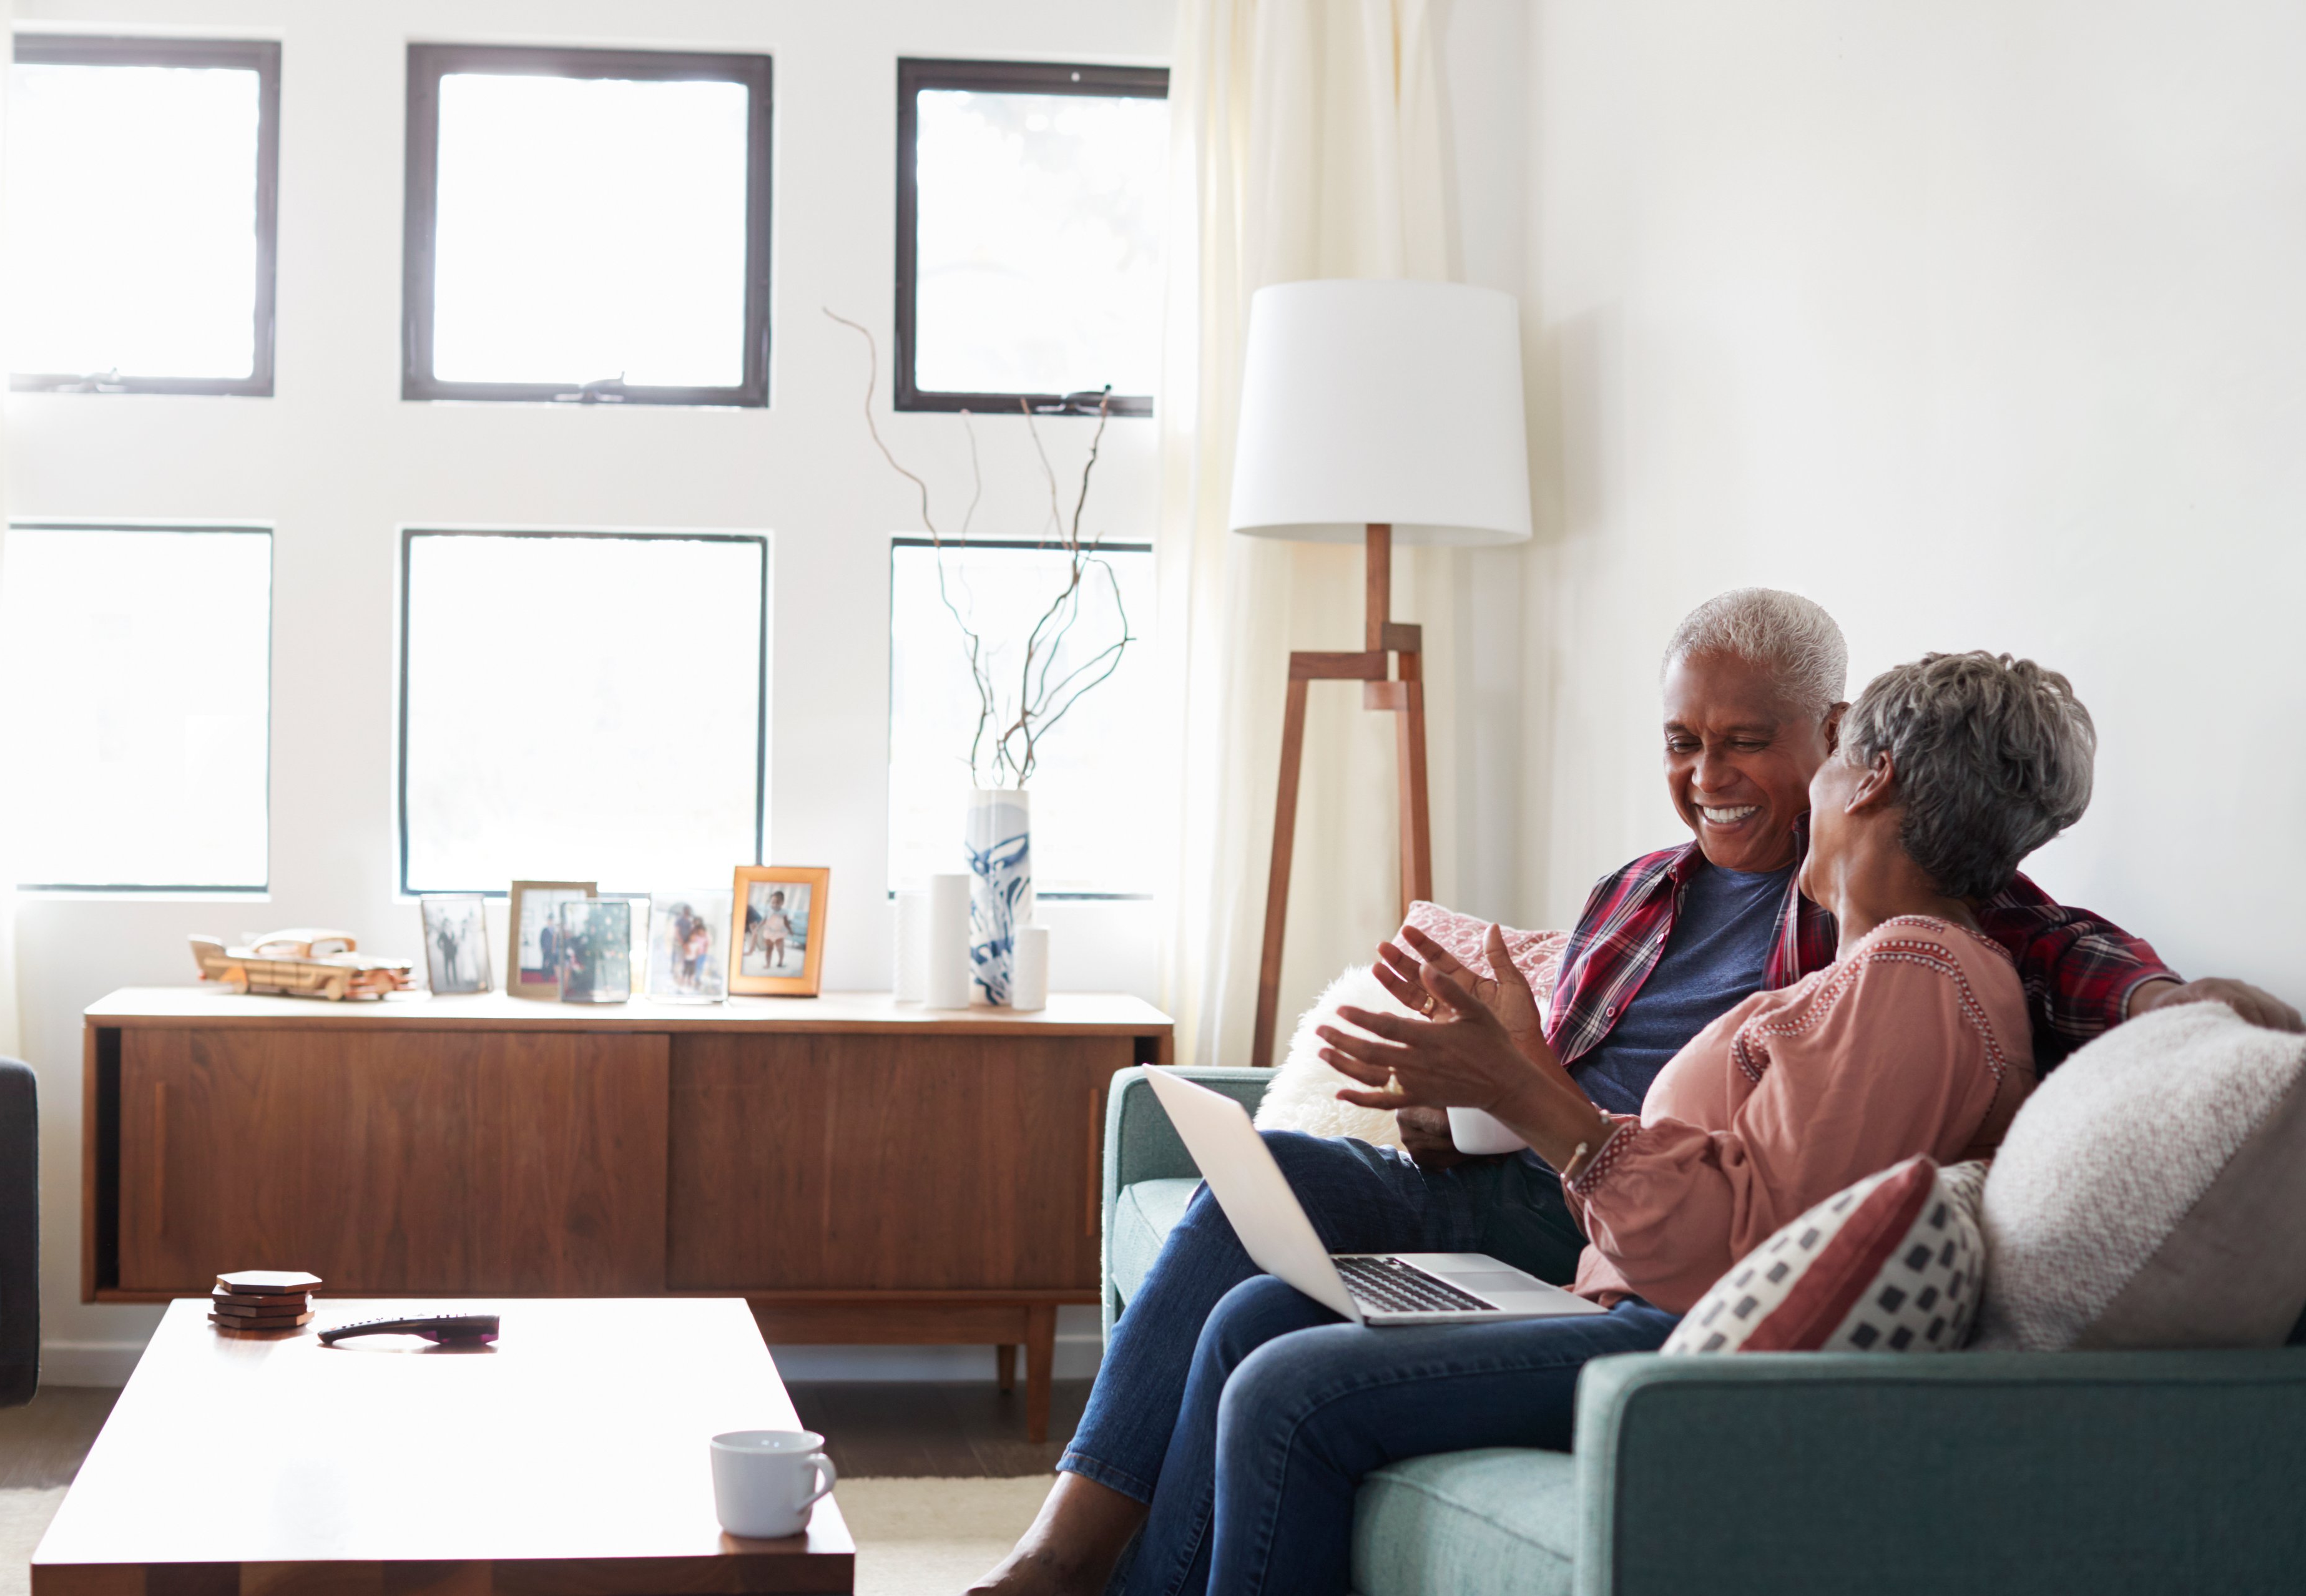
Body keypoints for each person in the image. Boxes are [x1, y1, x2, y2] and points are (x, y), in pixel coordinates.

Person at [971, 592, 2300, 1596]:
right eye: (1683, 741)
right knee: (1256, 1286)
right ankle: (1075, 1564)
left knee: (1286, 1382)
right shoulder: (1666, 900)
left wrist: (2164, 1006)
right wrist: (1464, 1091)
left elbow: (1743, 1224)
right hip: (1580, 1214)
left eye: (1756, 745)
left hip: (1646, 1279)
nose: (1711, 774)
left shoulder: (1911, 964)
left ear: (1858, 762)